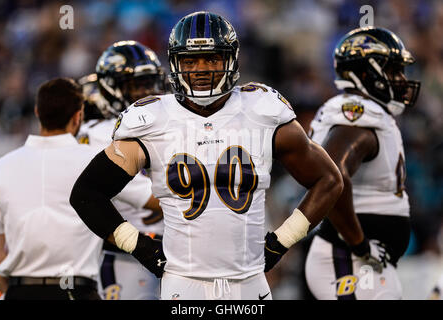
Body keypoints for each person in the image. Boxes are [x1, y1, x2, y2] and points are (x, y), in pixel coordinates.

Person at [70, 11, 343, 300]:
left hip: (250, 280)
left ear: (231, 60)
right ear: (176, 63)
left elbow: (329, 180)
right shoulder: (152, 119)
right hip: (183, 283)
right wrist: (141, 247)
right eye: (190, 60)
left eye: (212, 58)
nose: (201, 69)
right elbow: (87, 193)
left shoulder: (262, 110)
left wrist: (281, 241)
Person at [305, 27, 421, 300]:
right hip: (347, 256)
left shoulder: (373, 116)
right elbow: (333, 176)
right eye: (394, 71)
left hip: (360, 259)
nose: (402, 80)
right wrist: (359, 244)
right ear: (367, 75)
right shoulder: (356, 114)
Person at [0, 78, 103, 300]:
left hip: (21, 289)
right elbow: (150, 200)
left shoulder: (1, 167)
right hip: (75, 289)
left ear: (37, 112)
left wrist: (12, 293)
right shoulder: (96, 161)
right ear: (78, 116)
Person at [76, 40, 166, 300]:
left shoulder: (163, 125)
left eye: (151, 82)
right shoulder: (102, 134)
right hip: (130, 256)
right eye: (138, 85)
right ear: (111, 88)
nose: (148, 92)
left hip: (176, 248)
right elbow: (153, 198)